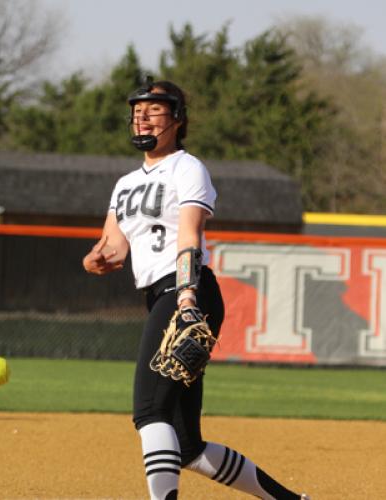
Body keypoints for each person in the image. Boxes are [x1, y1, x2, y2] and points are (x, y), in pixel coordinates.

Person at [82, 78, 309, 500]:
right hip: (161, 297)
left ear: (178, 119)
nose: (142, 116)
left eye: (153, 109)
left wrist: (186, 300)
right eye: (137, 110)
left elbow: (190, 235)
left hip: (187, 292)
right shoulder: (124, 184)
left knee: (150, 412)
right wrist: (95, 259)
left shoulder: (188, 168)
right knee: (186, 446)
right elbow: (113, 244)